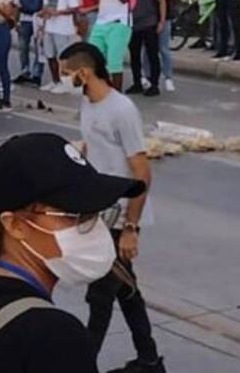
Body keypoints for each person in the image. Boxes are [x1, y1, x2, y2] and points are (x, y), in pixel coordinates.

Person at [0, 130, 144, 373]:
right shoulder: (55, 337)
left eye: (96, 213)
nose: (95, 228)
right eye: (74, 215)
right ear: (15, 226)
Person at [59, 43, 164, 373]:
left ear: (83, 72)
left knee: (100, 298)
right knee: (126, 291)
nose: (61, 79)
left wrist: (131, 229)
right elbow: (93, 148)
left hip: (121, 214)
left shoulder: (122, 110)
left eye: (65, 73)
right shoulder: (88, 103)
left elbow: (142, 172)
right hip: (100, 211)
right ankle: (149, 360)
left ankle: (82, 365)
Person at [88, 0, 137, 91]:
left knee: (114, 63)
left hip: (119, 23)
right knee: (92, 58)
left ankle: (116, 97)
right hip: (102, 21)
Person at [126, 0, 166, 96]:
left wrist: (161, 21)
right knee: (134, 55)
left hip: (149, 22)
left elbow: (161, 0)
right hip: (132, 24)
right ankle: (137, 82)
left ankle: (154, 84)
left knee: (152, 54)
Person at [40, 0, 81, 93]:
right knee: (50, 55)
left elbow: (74, 8)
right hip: (49, 26)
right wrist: (44, 13)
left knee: (63, 57)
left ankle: (66, 83)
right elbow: (46, 4)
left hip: (63, 28)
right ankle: (55, 80)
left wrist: (60, 12)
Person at [13, 0, 45, 86]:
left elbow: (46, 1)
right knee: (23, 47)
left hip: (38, 17)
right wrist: (16, 21)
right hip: (24, 17)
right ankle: (25, 71)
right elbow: (17, 3)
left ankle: (37, 74)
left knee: (39, 48)